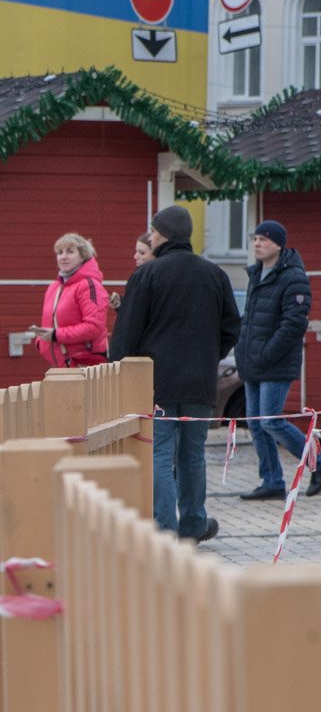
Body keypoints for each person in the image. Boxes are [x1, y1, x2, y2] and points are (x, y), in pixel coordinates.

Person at [109, 205, 240, 543]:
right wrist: (211, 356)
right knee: (193, 454)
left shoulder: (147, 275)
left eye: (152, 231)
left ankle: (165, 529)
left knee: (161, 454)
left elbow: (127, 333)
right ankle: (194, 524)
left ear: (164, 234)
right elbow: (231, 327)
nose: (149, 236)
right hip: (200, 381)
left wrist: (121, 366)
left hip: (158, 382)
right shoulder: (215, 274)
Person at [235, 220, 321, 500]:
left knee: (272, 421)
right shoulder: (256, 274)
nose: (257, 243)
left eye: (264, 239)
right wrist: (242, 350)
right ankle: (271, 480)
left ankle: (318, 463)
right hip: (253, 361)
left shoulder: (293, 276)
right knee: (256, 422)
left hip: (275, 361)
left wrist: (267, 353)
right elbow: (250, 320)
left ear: (278, 244)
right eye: (255, 238)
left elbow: (294, 323)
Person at [30, 233, 109, 368]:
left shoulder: (90, 286)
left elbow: (94, 327)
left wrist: (56, 335)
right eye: (60, 253)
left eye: (70, 252)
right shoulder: (54, 287)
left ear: (83, 256)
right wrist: (41, 341)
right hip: (59, 363)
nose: (64, 257)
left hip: (84, 364)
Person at [109, 232, 155, 310]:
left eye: (142, 253)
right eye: (136, 251)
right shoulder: (138, 276)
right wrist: (121, 305)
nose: (135, 256)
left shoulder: (150, 280)